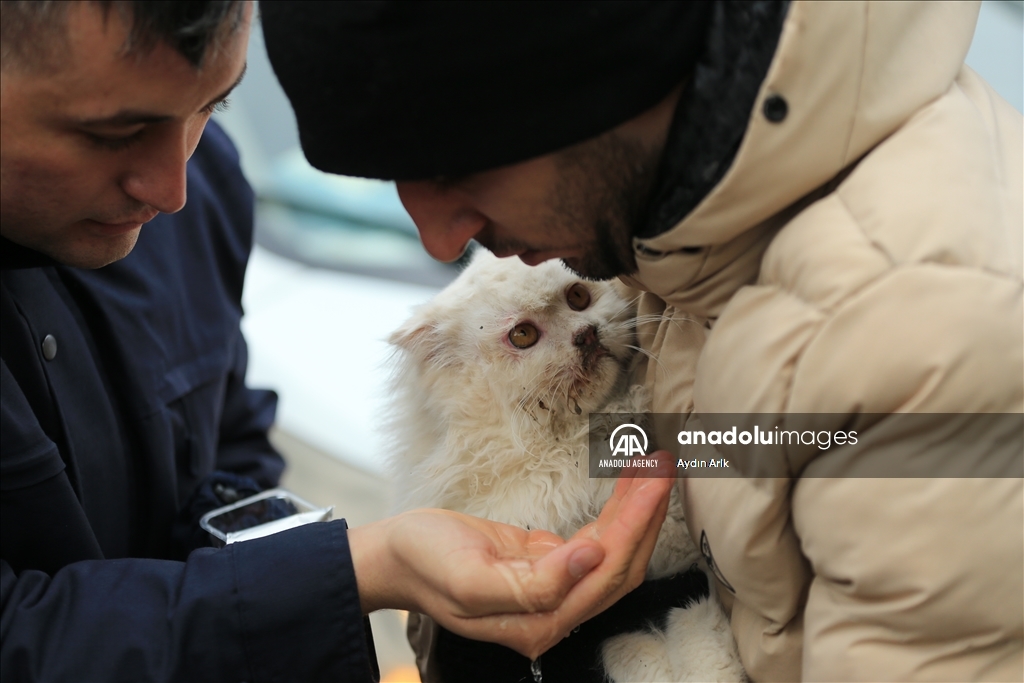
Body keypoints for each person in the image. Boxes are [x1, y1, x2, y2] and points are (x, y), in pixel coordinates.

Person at [262, 1, 1024, 680]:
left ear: (587, 86)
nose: (437, 240)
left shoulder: (933, 324)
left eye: (453, 166)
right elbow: (724, 450)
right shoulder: (673, 234)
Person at [0, 2, 678, 680]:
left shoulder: (203, 189)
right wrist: (360, 571)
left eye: (214, 106)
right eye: (113, 132)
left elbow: (765, 443)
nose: (173, 186)